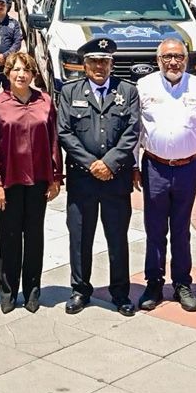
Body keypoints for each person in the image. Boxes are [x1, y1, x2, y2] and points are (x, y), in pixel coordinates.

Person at [56, 37, 140, 316]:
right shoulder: (70, 91)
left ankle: (120, 292)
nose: (99, 67)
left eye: (104, 61)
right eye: (93, 62)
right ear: (84, 65)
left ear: (111, 64)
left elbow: (132, 131)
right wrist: (92, 164)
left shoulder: (127, 91)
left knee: (117, 237)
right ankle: (80, 290)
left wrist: (110, 163)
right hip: (83, 179)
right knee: (80, 237)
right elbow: (64, 131)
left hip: (116, 178)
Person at [135, 38, 196, 312]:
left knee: (181, 230)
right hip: (154, 167)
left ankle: (182, 283)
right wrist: (134, 167)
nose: (173, 62)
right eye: (167, 57)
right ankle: (154, 283)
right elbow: (135, 130)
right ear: (158, 60)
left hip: (188, 168)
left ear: (186, 59)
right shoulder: (144, 86)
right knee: (155, 229)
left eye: (179, 57)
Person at [0, 51, 61, 313]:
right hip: (9, 181)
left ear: (33, 74)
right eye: (16, 69)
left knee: (35, 237)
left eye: (26, 70)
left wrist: (55, 177)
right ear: (8, 73)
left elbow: (54, 141)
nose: (21, 74)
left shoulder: (45, 101)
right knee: (9, 237)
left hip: (38, 180)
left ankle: (32, 291)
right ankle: (8, 291)